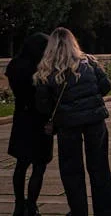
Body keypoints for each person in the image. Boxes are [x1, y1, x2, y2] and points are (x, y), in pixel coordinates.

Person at [34, 27, 111, 216]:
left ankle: (78, 211)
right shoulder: (89, 61)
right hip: (94, 120)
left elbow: (43, 105)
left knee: (71, 170)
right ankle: (106, 210)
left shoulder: (47, 68)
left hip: (67, 124)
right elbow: (106, 86)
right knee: (99, 167)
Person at [6, 32, 52, 216]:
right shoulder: (42, 68)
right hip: (40, 119)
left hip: (21, 118)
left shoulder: (15, 65)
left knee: (21, 164)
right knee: (39, 166)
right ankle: (32, 205)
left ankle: (19, 204)